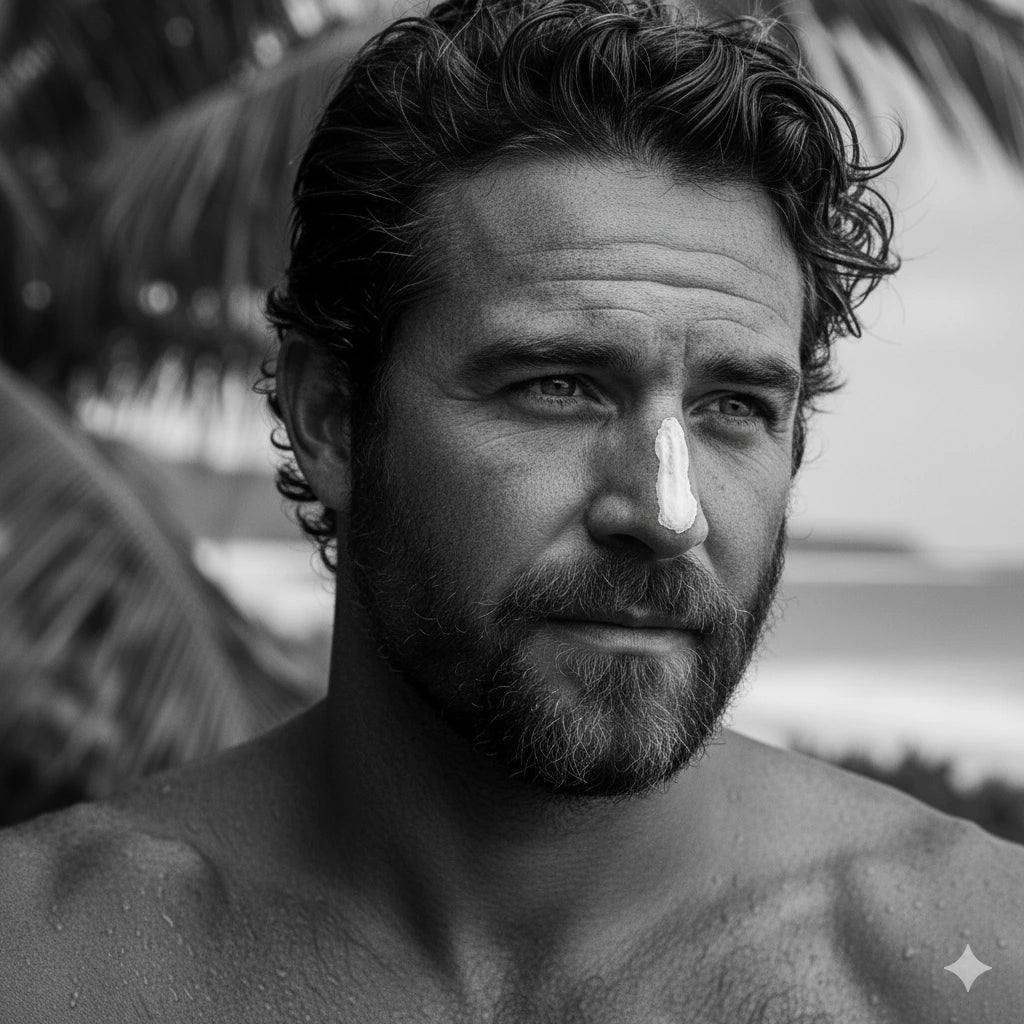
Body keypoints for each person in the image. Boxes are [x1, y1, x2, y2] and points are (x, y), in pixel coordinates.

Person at [2, 1, 1022, 1020]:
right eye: (557, 385)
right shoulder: (42, 960)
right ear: (329, 419)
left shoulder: (966, 959)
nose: (667, 515)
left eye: (732, 407)